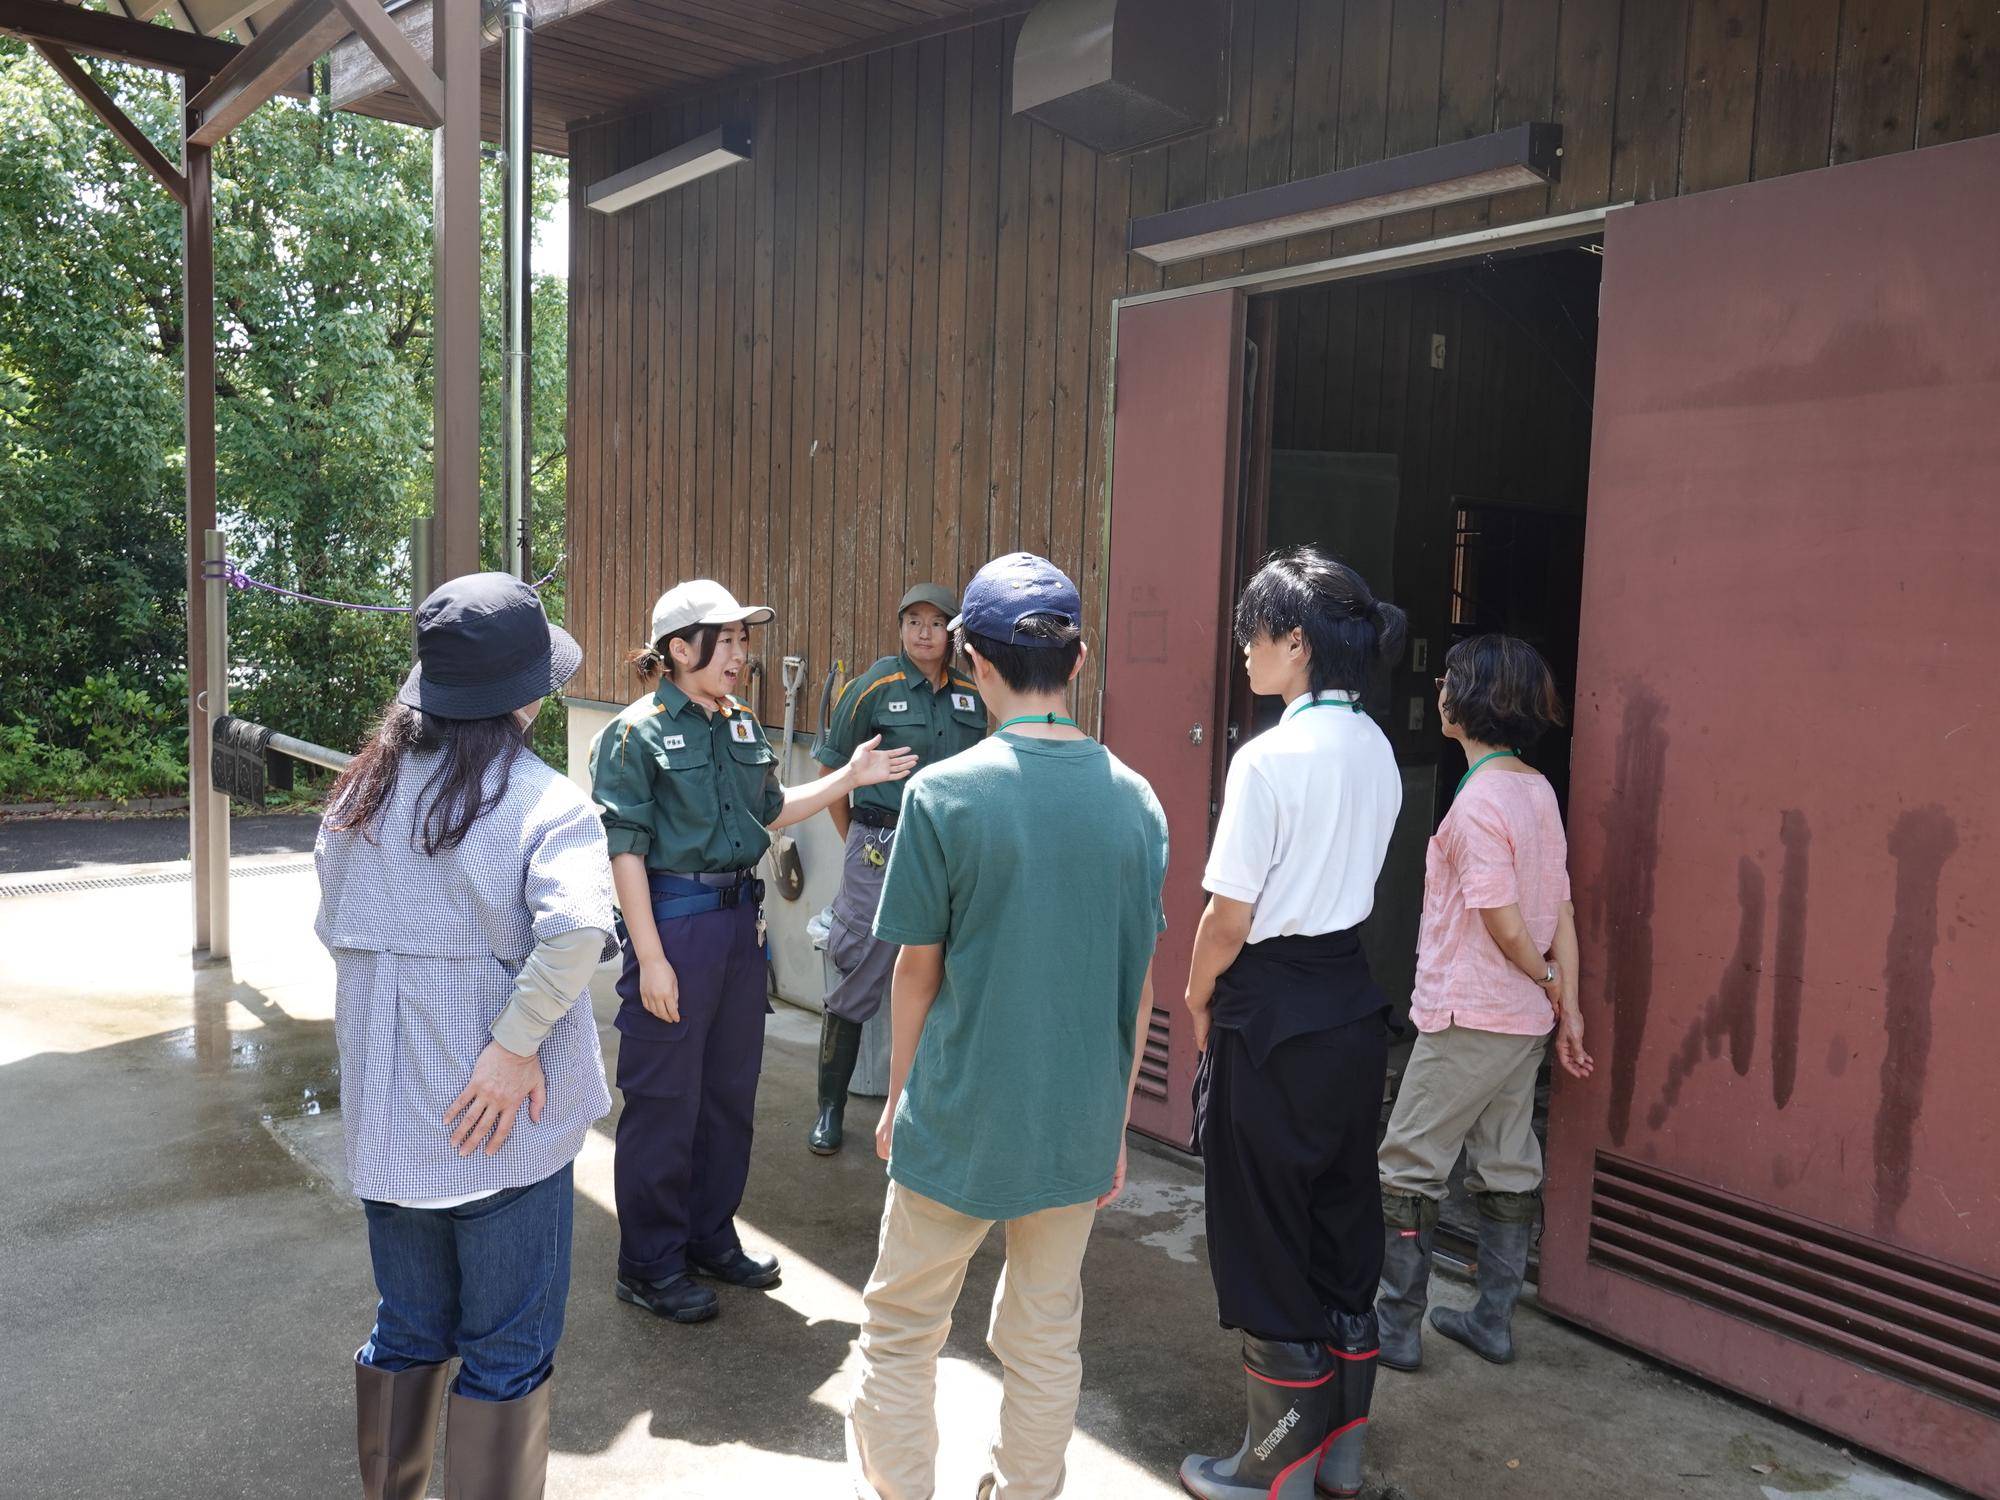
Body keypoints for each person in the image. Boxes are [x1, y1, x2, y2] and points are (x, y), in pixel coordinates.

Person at [846, 552, 1169, 1500]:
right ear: (1079, 663)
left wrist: (899, 1096)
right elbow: (1137, 985)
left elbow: (915, 972)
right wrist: (1113, 1126)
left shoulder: (944, 796)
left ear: (974, 663)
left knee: (902, 1327)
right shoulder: (1138, 801)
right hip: (1074, 1120)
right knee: (1044, 1332)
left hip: (960, 1109)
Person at [315, 572, 611, 1500]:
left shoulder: (357, 799)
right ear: (526, 695)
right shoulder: (541, 800)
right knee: (508, 1351)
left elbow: (335, 928)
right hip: (504, 1126)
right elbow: (576, 932)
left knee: (408, 1330)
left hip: (391, 1125)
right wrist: (513, 1042)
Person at [591, 579, 916, 1325]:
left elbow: (772, 812)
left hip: (740, 927)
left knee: (729, 1095)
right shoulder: (634, 733)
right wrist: (652, 955)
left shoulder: (737, 725)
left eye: (744, 639)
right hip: (674, 923)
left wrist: (851, 775)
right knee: (666, 1101)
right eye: (725, 639)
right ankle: (648, 1262)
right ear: (680, 648)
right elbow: (625, 851)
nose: (740, 654)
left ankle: (709, 1236)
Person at [1179, 547, 1406, 1500]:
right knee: (1343, 1219)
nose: (1243, 652)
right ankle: (1341, 1460)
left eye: (1254, 635)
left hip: (1270, 1012)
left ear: (1297, 644)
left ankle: (1271, 1463)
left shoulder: (1269, 758)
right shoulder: (1380, 747)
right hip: (1352, 1005)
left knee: (1263, 1228)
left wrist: (1195, 999)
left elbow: (1228, 918)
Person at [1374, 634, 1593, 1372]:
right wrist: (1568, 1003)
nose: (1438, 688)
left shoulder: (1478, 804)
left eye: (1448, 679)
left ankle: (1395, 1330)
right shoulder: (1536, 789)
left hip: (1468, 1014)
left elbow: (1501, 921)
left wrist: (1548, 983)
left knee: (1407, 1165)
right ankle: (1492, 1321)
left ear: (1470, 701)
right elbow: (1559, 904)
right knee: (1507, 1163)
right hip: (1523, 1025)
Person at [808, 582, 986, 1155]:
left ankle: (926, 1108)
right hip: (880, 841)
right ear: (901, 627)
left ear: (952, 633)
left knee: (949, 969)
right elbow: (832, 767)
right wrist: (855, 838)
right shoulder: (875, 685)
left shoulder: (972, 691)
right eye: (914, 621)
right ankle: (831, 1109)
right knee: (860, 962)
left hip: (950, 848)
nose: (924, 633)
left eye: (936, 623)